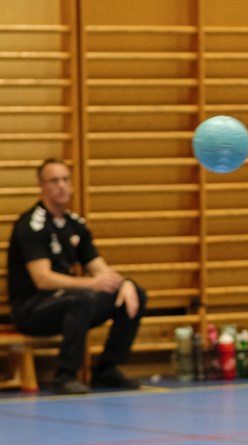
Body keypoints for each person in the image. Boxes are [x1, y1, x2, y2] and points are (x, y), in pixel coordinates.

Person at [6, 159, 146, 395]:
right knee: (82, 298)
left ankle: (106, 369)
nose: (61, 186)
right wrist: (92, 283)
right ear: (42, 186)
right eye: (54, 181)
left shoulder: (75, 225)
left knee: (134, 295)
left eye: (65, 179)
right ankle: (65, 376)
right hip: (32, 309)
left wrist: (125, 284)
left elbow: (99, 268)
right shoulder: (32, 225)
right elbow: (42, 279)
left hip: (68, 302)